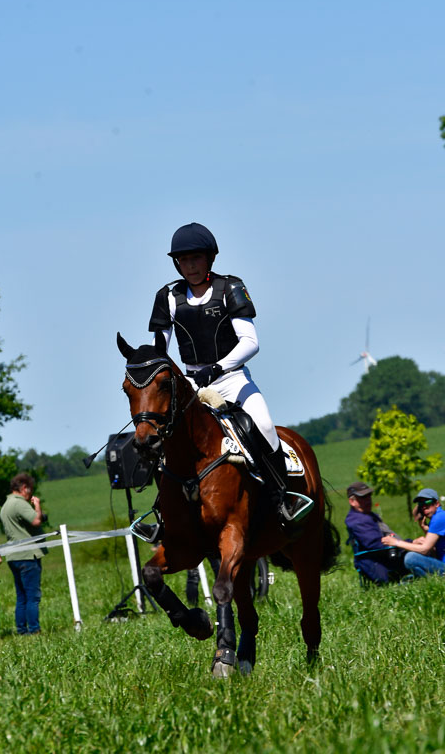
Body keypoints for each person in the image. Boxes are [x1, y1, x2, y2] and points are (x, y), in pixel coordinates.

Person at [147, 222, 313, 526]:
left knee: (264, 425)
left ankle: (282, 499)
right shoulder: (168, 296)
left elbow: (251, 342)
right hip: (192, 385)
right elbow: (161, 348)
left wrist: (218, 367)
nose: (190, 266)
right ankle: (162, 514)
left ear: (210, 258)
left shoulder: (230, 288)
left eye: (196, 258)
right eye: (184, 260)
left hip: (232, 379)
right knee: (161, 437)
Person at [0, 473, 46, 635]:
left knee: (21, 596)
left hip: (14, 556)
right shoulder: (19, 503)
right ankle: (34, 629)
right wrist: (37, 506)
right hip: (27, 555)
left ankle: (21, 629)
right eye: (30, 490)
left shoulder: (6, 505)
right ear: (24, 488)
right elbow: (36, 520)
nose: (30, 494)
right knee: (32, 596)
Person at [345, 481, 407, 584]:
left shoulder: (368, 515)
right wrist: (406, 545)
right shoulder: (356, 520)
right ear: (352, 501)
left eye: (369, 496)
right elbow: (375, 544)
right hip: (374, 560)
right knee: (414, 557)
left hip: (386, 555)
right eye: (363, 497)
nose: (368, 500)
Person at [381, 488, 445, 578]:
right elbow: (434, 553)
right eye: (421, 504)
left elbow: (424, 549)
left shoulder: (439, 517)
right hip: (441, 564)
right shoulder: (436, 518)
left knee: (410, 557)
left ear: (437, 503)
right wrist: (424, 528)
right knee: (409, 576)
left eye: (427, 502)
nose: (424, 507)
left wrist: (396, 542)